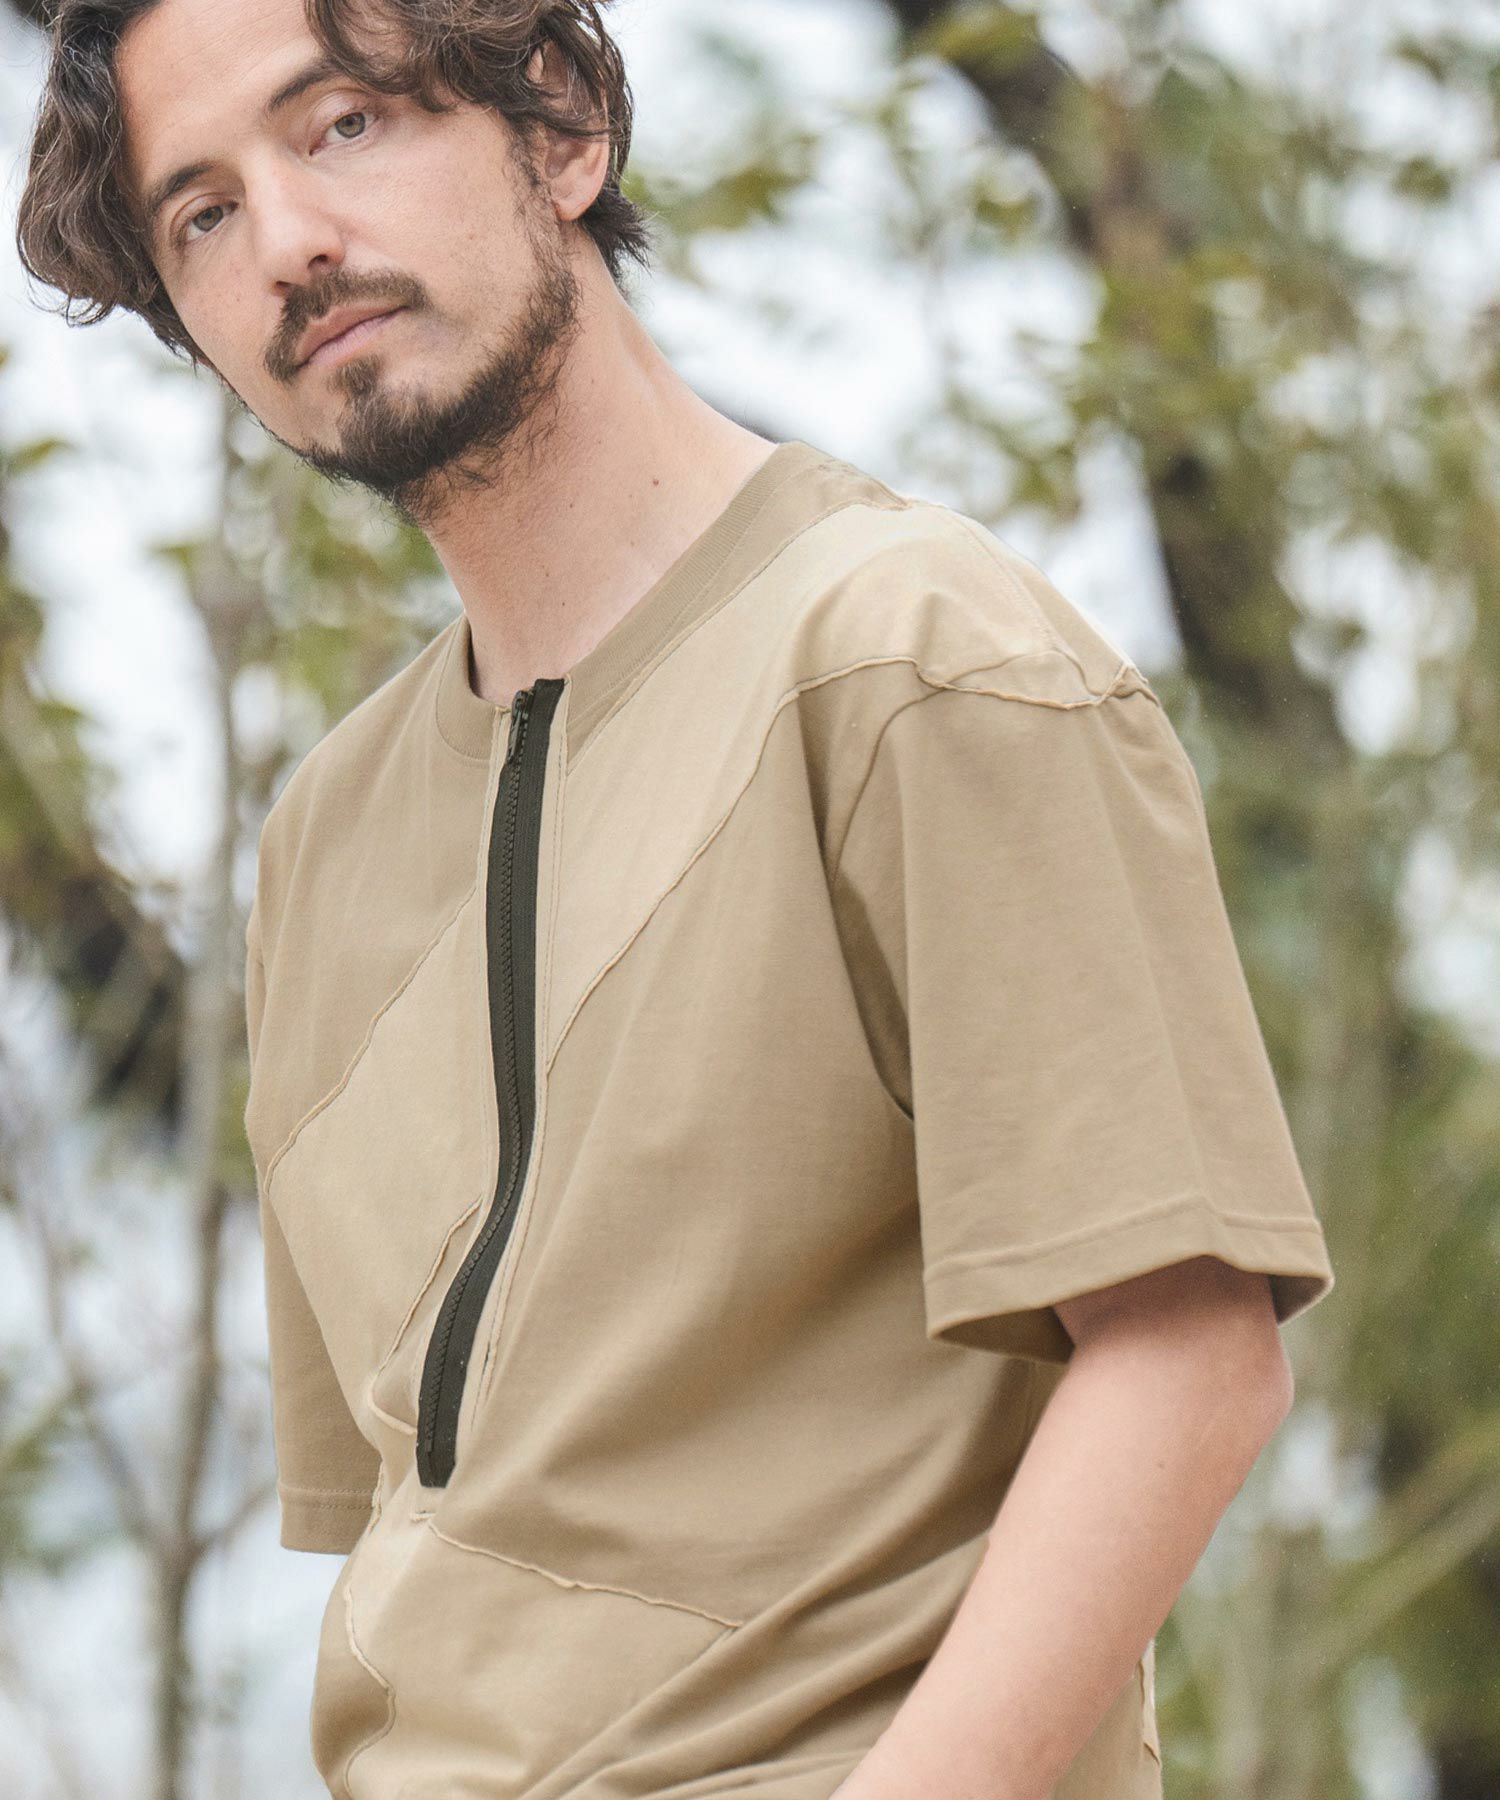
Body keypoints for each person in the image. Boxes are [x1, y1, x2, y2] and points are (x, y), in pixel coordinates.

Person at [16, 1, 1336, 1796]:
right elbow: (421, 1522)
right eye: (204, 215)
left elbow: (1188, 1362)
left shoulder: (911, 657)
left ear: (562, 124)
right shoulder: (321, 845)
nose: (288, 243)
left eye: (343, 125)